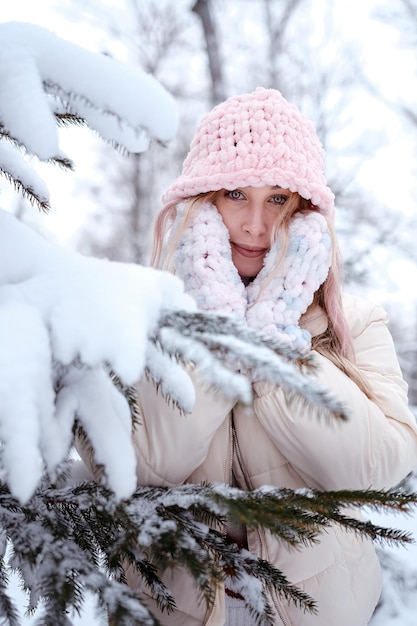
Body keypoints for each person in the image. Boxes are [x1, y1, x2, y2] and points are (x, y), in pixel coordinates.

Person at [77, 87, 417, 625]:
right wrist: (218, 326)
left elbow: (374, 465)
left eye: (278, 199)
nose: (255, 225)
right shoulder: (140, 314)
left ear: (307, 213)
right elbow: (141, 461)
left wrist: (273, 329)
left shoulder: (354, 320)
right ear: (202, 202)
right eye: (236, 194)